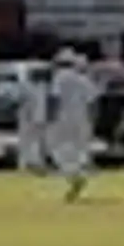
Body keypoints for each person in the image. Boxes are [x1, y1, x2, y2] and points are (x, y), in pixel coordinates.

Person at [47, 49, 99, 201]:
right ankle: (80, 169)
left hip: (63, 118)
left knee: (55, 147)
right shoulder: (83, 79)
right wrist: (92, 120)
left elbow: (55, 99)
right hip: (82, 119)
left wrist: (50, 117)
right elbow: (93, 102)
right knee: (79, 148)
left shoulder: (59, 77)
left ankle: (74, 174)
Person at [15, 67, 49, 174]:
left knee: (40, 142)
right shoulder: (25, 86)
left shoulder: (44, 86)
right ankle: (24, 164)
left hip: (40, 118)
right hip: (27, 118)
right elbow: (19, 100)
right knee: (26, 142)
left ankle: (39, 163)